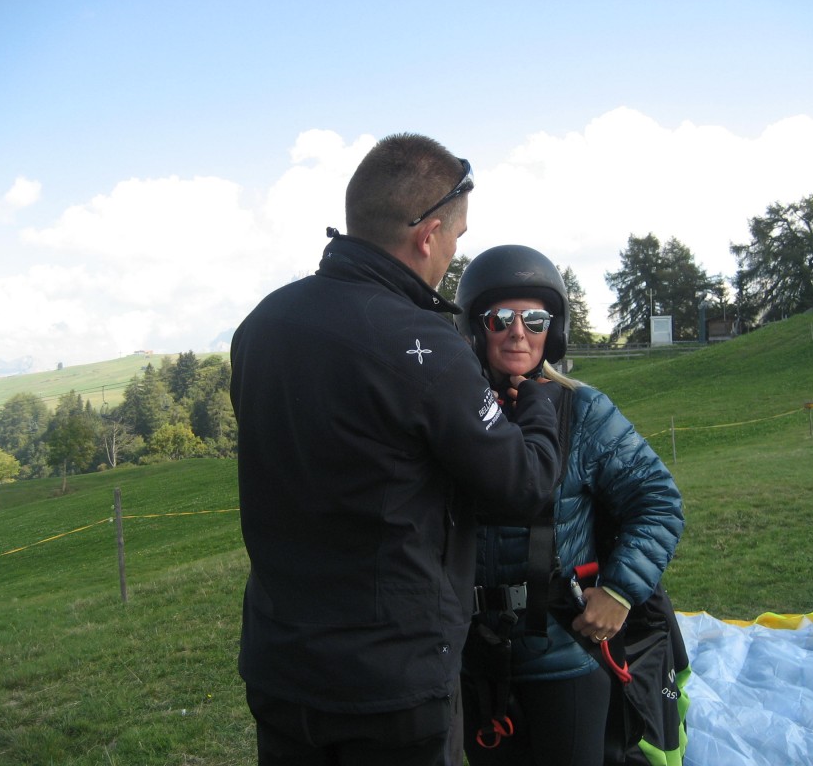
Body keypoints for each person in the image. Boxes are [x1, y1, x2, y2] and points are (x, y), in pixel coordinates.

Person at [229, 135, 563, 766]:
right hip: (389, 683)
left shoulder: (262, 325)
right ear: (428, 234)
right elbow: (524, 484)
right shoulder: (422, 346)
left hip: (280, 665)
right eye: (458, 239)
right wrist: (537, 405)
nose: (455, 255)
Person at [453, 245, 688, 766]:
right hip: (472, 659)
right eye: (501, 318)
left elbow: (659, 501)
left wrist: (621, 592)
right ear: (476, 327)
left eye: (534, 318)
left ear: (551, 330)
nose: (519, 331)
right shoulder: (451, 415)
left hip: (564, 654)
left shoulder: (580, 411)